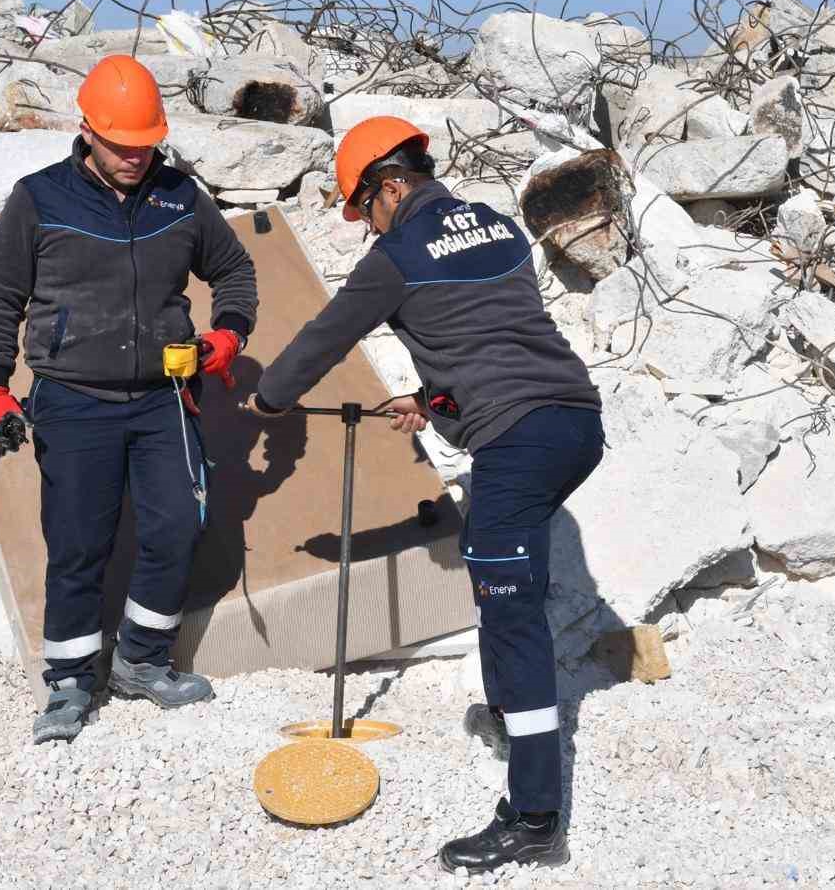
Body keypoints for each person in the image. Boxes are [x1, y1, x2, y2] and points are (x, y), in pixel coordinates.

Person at [241, 116, 603, 873]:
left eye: (363, 207)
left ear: (391, 186)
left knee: (511, 616)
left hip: (519, 435)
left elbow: (325, 335)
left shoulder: (397, 254)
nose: (366, 224)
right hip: (574, 421)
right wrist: (434, 402)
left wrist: (269, 399)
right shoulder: (499, 230)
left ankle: (535, 817)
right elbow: (488, 337)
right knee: (497, 575)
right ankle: (512, 715)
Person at [0, 54, 258, 744]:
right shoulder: (39, 199)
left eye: (146, 144)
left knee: (175, 530)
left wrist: (228, 335)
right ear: (87, 131)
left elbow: (234, 269)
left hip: (163, 399)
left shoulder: (180, 197)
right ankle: (70, 683)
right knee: (77, 545)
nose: (136, 157)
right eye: (122, 145)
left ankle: (140, 661)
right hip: (72, 400)